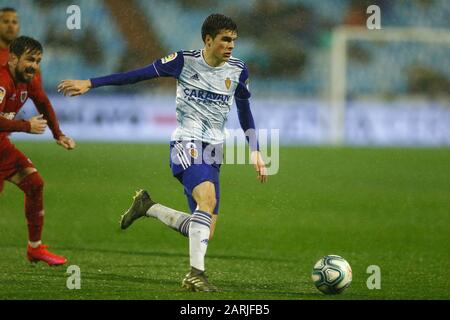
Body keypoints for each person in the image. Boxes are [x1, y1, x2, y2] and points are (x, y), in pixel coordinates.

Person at [58, 13, 267, 291]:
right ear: (208, 39)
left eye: (233, 41)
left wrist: (255, 149)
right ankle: (195, 274)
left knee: (203, 229)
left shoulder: (238, 70)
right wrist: (91, 83)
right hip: (186, 142)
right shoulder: (183, 61)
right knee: (207, 199)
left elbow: (244, 110)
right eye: (225, 40)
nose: (231, 46)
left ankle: (148, 207)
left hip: (215, 150)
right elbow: (137, 75)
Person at [0, 35, 76, 266]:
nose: (34, 66)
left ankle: (35, 248)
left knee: (34, 183)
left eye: (38, 61)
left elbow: (43, 102)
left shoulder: (28, 79)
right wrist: (26, 126)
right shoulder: (2, 82)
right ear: (13, 58)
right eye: (30, 60)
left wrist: (58, 134)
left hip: (1, 147)